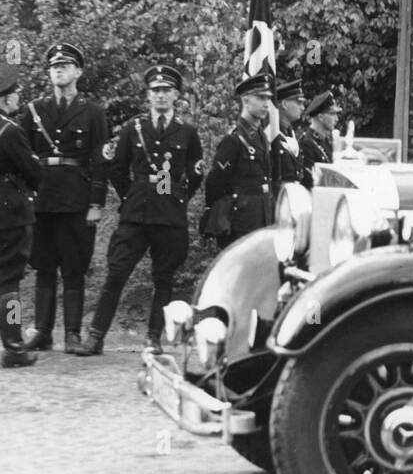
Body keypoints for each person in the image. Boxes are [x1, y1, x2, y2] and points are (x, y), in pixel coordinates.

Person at [74, 65, 203, 356]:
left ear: (176, 95)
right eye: (155, 91)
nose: (160, 96)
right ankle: (96, 337)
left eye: (166, 91)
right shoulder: (134, 129)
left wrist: (178, 196)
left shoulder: (188, 131)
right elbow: (118, 170)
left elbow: (195, 173)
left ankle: (153, 338)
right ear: (148, 95)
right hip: (135, 213)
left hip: (169, 215)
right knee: (116, 273)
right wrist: (130, 194)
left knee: (164, 278)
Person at [21, 43, 109, 354]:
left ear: (78, 72)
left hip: (76, 198)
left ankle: (72, 333)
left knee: (74, 267)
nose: (59, 70)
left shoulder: (94, 113)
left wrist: (96, 204)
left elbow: (101, 161)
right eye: (54, 66)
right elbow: (19, 157)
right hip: (42, 198)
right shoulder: (33, 111)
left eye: (66, 66)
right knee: (43, 266)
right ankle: (43, 332)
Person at [0, 66, 43, 368]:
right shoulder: (10, 131)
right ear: (3, 100)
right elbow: (34, 172)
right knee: (10, 284)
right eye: (14, 95)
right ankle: (14, 346)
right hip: (11, 214)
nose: (17, 99)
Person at [202, 74, 276, 248]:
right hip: (240, 222)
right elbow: (215, 182)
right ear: (246, 100)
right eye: (260, 98)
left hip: (261, 216)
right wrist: (218, 214)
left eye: (268, 98)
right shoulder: (234, 140)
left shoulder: (260, 136)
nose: (266, 104)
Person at [272, 79, 311, 188]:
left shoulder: (290, 135)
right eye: (299, 102)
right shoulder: (271, 136)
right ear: (284, 104)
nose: (302, 107)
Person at [301, 89, 338, 166]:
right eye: (333, 114)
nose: (336, 119)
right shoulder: (307, 144)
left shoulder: (325, 140)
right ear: (320, 117)